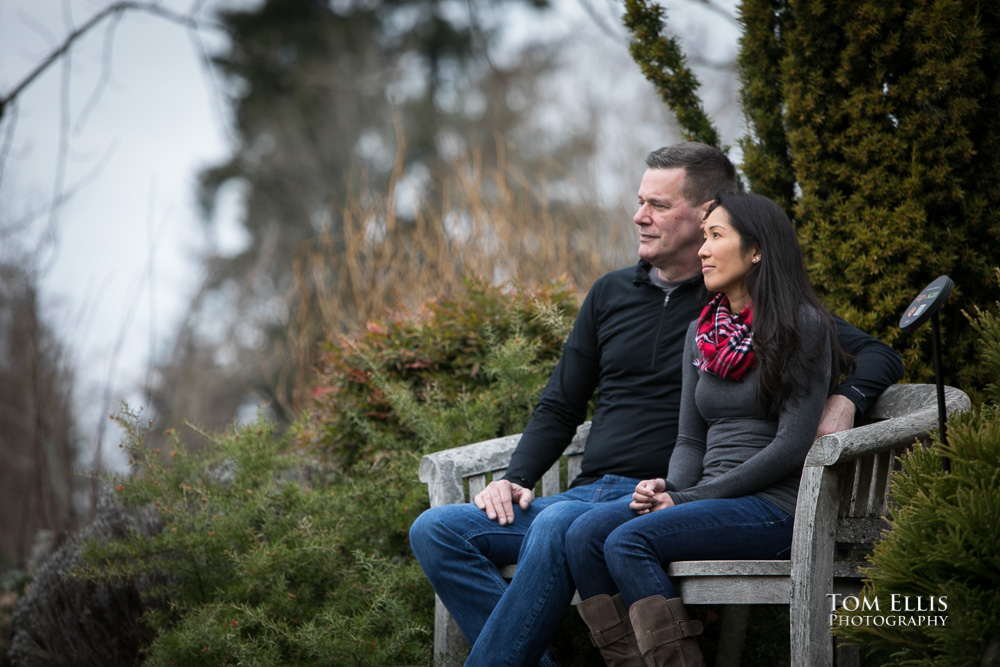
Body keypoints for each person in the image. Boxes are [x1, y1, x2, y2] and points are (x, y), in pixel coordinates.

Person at [408, 143, 904, 667]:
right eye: (640, 201)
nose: (639, 216)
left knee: (564, 529)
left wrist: (847, 398)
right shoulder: (616, 297)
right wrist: (518, 478)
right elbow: (559, 405)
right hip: (587, 490)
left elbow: (877, 354)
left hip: (651, 492)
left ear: (709, 212)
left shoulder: (750, 303)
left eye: (659, 206)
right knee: (437, 529)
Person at [565, 192, 849, 667]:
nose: (702, 250)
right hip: (706, 498)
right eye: (703, 237)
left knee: (628, 540)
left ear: (756, 250)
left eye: (716, 236)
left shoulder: (802, 326)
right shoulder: (702, 333)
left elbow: (791, 446)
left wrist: (688, 500)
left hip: (774, 508)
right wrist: (669, 488)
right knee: (583, 534)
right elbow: (690, 439)